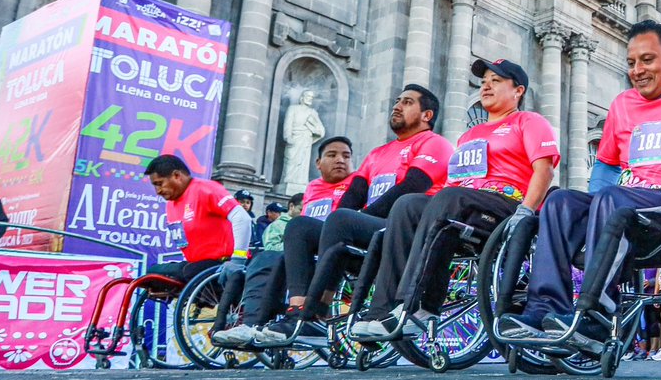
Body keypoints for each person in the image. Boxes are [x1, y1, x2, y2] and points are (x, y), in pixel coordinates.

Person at [495, 19, 661, 351]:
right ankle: (544, 309)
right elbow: (605, 163)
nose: (637, 70)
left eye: (648, 60)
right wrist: (588, 210)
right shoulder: (622, 104)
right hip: (623, 203)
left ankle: (598, 315)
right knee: (560, 202)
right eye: (631, 62)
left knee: (612, 199)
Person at [351, 59, 560, 338]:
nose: (486, 85)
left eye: (496, 81)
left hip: (505, 205)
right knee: (407, 205)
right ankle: (381, 310)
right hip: (463, 203)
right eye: (484, 80)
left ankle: (416, 305)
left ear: (518, 90)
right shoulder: (469, 135)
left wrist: (527, 209)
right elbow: (454, 183)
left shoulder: (529, 121)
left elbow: (544, 171)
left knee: (449, 199)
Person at [250, 85, 454, 346]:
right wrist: (334, 225)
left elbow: (413, 186)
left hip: (406, 231)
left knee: (342, 220)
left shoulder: (435, 143)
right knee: (300, 227)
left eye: (407, 102)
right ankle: (298, 309)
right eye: (397, 101)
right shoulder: (377, 153)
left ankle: (318, 312)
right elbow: (353, 195)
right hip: (370, 231)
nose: (397, 106)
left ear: (426, 115)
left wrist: (354, 218)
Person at [212, 137, 357, 346]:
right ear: (318, 163)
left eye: (346, 156)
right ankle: (254, 324)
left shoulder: (357, 184)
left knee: (298, 232)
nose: (340, 160)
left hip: (339, 251)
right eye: (332, 155)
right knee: (267, 259)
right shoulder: (313, 188)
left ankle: (304, 313)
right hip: (308, 250)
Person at [145, 155, 251, 283]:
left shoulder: (205, 189)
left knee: (186, 271)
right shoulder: (171, 205)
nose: (158, 191)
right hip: (197, 265)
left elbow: (242, 218)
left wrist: (238, 260)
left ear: (177, 176)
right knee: (152, 273)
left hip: (222, 263)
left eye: (159, 183)